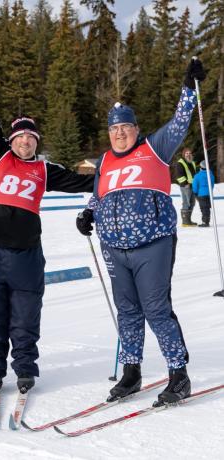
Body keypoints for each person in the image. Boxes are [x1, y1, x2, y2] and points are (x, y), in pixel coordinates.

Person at [76, 58, 206, 405]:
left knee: (156, 308)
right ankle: (131, 371)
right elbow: (99, 194)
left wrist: (188, 88)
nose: (120, 133)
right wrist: (88, 213)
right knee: (128, 310)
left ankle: (179, 375)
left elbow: (181, 121)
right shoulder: (104, 161)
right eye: (114, 128)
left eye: (126, 127)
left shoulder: (155, 148)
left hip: (153, 244)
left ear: (136, 128)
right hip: (114, 247)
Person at [0, 50, 94, 393]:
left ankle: (25, 368)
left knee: (25, 317)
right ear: (11, 140)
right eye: (20, 136)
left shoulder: (43, 170)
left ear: (36, 142)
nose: (25, 141)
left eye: (31, 137)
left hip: (26, 254)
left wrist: (115, 174)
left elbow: (82, 182)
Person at [176, 147, 198, 226]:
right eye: (186, 153)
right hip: (185, 186)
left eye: (189, 153)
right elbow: (179, 175)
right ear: (183, 154)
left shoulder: (192, 162)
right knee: (186, 202)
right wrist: (185, 183)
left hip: (192, 185)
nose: (188, 155)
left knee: (192, 202)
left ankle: (188, 220)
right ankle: (185, 221)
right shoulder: (180, 163)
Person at [192, 160, 215, 227]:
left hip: (201, 194)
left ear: (201, 167)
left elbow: (195, 186)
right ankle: (206, 220)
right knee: (207, 208)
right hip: (209, 194)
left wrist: (195, 192)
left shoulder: (197, 176)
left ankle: (205, 222)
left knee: (203, 208)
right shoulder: (211, 175)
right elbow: (212, 184)